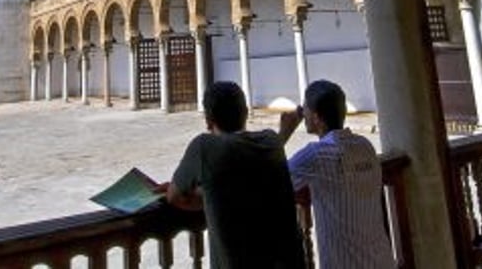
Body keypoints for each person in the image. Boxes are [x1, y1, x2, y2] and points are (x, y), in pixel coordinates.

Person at [165, 81, 305, 269]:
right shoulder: (271, 141)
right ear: (246, 112)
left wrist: (206, 193)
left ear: (208, 120)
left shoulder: (204, 147)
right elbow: (251, 161)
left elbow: (173, 196)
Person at [278, 80, 394, 269]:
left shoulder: (316, 155)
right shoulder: (365, 145)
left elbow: (268, 180)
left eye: (305, 109)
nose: (302, 114)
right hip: (381, 260)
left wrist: (284, 133)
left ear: (316, 117)